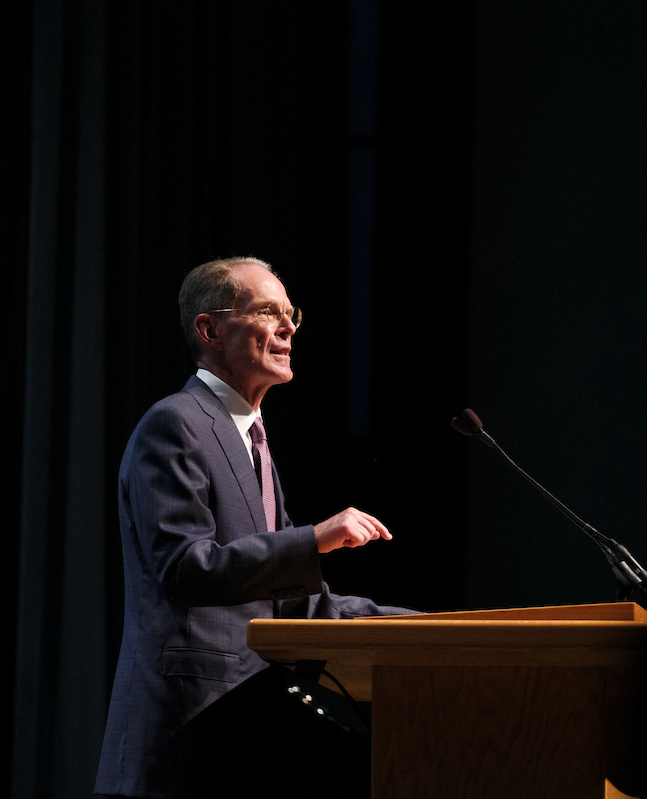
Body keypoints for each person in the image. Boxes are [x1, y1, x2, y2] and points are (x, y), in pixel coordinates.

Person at [95, 257, 415, 798]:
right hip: (184, 738)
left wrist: (426, 628)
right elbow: (183, 568)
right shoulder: (176, 423)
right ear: (210, 330)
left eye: (291, 314)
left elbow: (290, 603)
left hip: (245, 740)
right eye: (268, 312)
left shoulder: (251, 441)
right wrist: (313, 539)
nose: (289, 327)